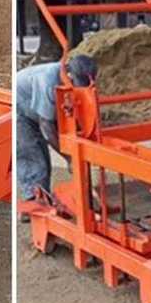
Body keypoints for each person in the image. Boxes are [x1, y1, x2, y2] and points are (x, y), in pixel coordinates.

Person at [15, 54, 97, 208]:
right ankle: (33, 202)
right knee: (33, 154)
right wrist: (69, 157)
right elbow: (46, 128)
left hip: (40, 110)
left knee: (47, 157)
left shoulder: (72, 80)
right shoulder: (47, 81)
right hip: (19, 109)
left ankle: (78, 199)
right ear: (68, 72)